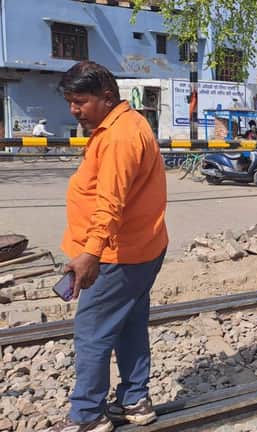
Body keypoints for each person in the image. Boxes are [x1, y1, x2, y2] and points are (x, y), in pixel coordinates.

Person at [46, 61, 168, 432]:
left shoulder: (119, 137)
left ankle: (88, 416)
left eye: (80, 101)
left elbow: (109, 204)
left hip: (117, 254)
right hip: (139, 247)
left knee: (93, 332)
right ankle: (134, 400)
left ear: (107, 97)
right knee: (129, 324)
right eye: (70, 102)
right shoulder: (126, 124)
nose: (74, 110)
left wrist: (91, 253)